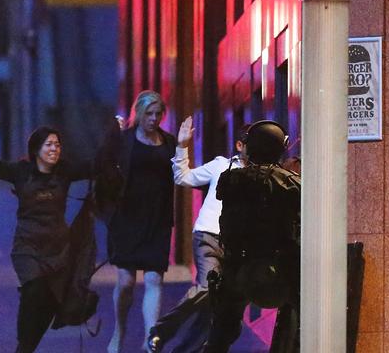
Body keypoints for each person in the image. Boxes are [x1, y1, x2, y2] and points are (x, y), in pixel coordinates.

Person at [0, 114, 94, 353]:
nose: (54, 149)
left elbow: (95, 165)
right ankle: (23, 342)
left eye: (57, 145)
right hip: (27, 246)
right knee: (34, 290)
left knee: (50, 300)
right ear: (36, 149)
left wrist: (118, 135)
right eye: (49, 144)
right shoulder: (22, 172)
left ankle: (26, 348)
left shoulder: (64, 172)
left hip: (58, 250)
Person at [147, 118, 249, 353]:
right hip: (209, 236)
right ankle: (161, 330)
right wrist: (182, 146)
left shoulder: (265, 176)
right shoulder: (221, 166)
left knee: (216, 307)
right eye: (251, 143)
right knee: (206, 288)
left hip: (237, 246)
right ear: (239, 145)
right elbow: (183, 177)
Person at [201, 120, 301, 353]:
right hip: (280, 266)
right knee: (302, 315)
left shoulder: (231, 179)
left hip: (237, 266)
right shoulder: (290, 183)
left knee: (220, 335)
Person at [103, 90, 177, 353]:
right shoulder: (124, 140)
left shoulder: (169, 142)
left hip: (157, 218)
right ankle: (119, 331)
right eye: (149, 114)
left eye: (158, 114)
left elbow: (180, 173)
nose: (154, 119)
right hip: (127, 216)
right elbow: (104, 167)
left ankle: (150, 340)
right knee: (126, 283)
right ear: (139, 113)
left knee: (155, 280)